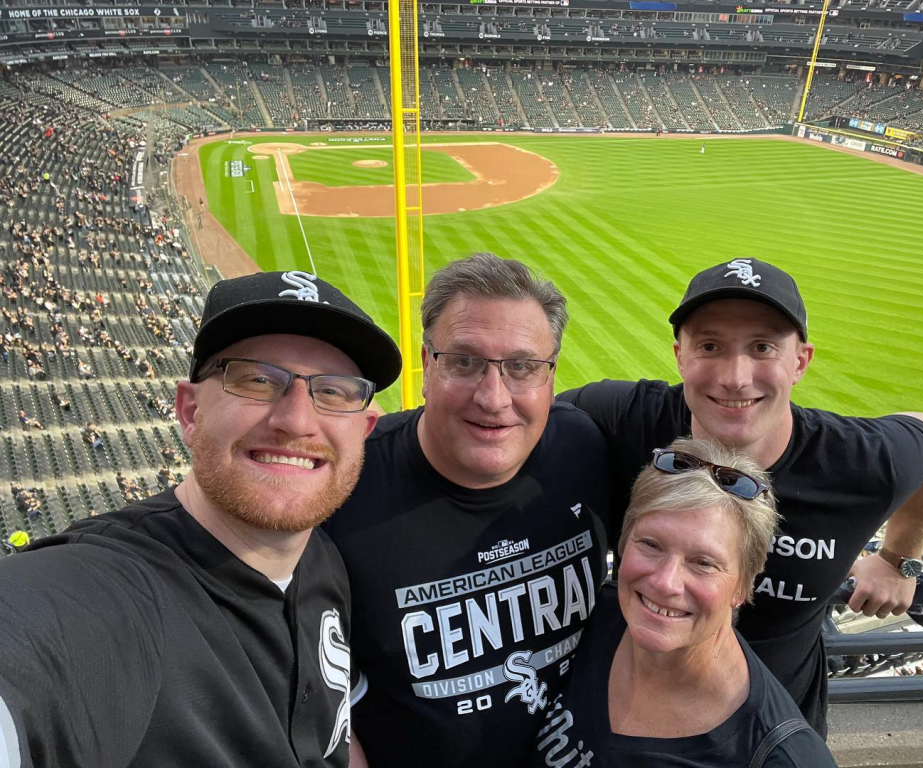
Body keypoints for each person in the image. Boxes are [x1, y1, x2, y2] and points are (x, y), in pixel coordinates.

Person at [0, 270, 402, 767]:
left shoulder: (323, 562)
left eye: (336, 391)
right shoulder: (114, 593)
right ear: (189, 412)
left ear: (364, 430)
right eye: (258, 379)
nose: (297, 420)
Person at [558, 257, 923, 736]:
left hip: (770, 737)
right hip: (623, 723)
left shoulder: (859, 462)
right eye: (710, 346)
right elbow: (513, 424)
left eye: (763, 347)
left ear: (800, 361)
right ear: (680, 356)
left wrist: (899, 560)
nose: (735, 377)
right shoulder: (622, 418)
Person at [323, 253, 610, 768]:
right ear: (427, 362)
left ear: (551, 376)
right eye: (464, 361)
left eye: (522, 367)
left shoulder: (584, 447)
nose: (493, 397)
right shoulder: (344, 490)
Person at [530, 438, 835, 767]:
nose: (665, 582)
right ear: (623, 542)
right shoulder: (592, 618)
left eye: (703, 563)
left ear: (744, 586)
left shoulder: (781, 757)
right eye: (651, 544)